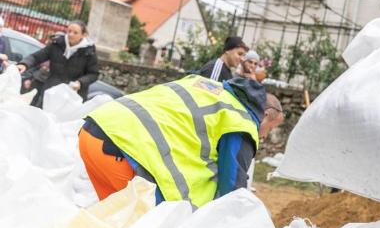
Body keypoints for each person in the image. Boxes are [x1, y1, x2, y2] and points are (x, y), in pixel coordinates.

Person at [78, 75, 282, 207]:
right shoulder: (241, 120)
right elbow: (232, 186)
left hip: (94, 131)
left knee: (112, 222)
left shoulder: (205, 85)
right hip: (121, 150)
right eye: (269, 129)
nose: (262, 136)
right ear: (265, 115)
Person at [17, 20, 99, 107]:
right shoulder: (57, 44)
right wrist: (24, 64)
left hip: (71, 96)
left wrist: (80, 82)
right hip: (51, 91)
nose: (71, 34)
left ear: (83, 35)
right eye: (69, 31)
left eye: (75, 33)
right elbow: (36, 57)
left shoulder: (89, 52)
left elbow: (93, 74)